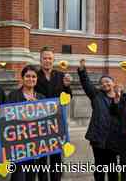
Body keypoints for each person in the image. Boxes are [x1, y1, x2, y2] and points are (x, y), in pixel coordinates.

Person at [77, 59, 121, 181]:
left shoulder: (122, 97)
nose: (105, 84)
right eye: (102, 83)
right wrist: (82, 70)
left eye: (107, 82)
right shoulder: (96, 95)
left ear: (113, 83)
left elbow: (121, 116)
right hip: (98, 137)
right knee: (99, 168)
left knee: (113, 168)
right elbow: (86, 84)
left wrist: (117, 100)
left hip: (114, 139)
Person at [34, 46, 72, 181]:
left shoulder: (61, 76)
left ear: (53, 60)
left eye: (50, 58)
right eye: (45, 58)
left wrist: (67, 86)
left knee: (56, 156)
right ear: (40, 60)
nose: (47, 61)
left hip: (57, 122)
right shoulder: (35, 76)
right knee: (42, 156)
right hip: (40, 122)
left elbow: (68, 98)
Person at [7, 65, 45, 181]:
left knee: (31, 177)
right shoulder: (13, 95)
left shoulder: (41, 98)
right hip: (17, 147)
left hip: (34, 146)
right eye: (27, 76)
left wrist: (37, 109)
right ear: (22, 78)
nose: (31, 79)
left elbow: (45, 123)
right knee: (18, 177)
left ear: (37, 79)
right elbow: (7, 119)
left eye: (34, 77)